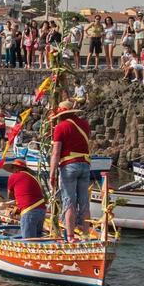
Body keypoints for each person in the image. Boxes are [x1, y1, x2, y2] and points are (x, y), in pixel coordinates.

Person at [48, 101, 92, 241]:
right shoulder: (85, 124)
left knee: (69, 201)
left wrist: (52, 173)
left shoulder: (60, 127)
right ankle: (86, 234)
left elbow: (56, 152)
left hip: (69, 166)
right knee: (84, 201)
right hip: (85, 164)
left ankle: (70, 236)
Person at [4, 158, 47, 238]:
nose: (12, 170)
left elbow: (10, 196)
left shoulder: (13, 176)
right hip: (42, 210)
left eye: (13, 168)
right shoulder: (33, 178)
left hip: (29, 211)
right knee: (38, 239)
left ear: (16, 168)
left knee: (29, 241)